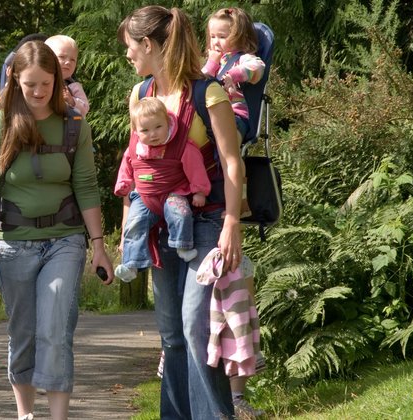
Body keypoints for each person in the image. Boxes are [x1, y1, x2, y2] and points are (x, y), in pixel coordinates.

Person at [0, 40, 113, 420]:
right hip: (13, 245)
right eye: (30, 84)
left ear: (58, 81)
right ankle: (25, 414)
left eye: (46, 84)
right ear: (14, 79)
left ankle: (58, 416)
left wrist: (98, 245)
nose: (38, 92)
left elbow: (86, 184)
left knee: (54, 326)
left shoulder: (74, 125)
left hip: (65, 241)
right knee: (24, 333)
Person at [119, 5, 245, 419]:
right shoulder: (141, 96)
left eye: (130, 48)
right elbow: (135, 162)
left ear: (150, 45)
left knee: (195, 324)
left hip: (206, 220)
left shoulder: (207, 92)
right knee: (171, 333)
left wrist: (232, 225)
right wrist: (127, 223)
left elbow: (231, 162)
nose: (128, 56)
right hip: (159, 224)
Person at [113, 96, 211, 282]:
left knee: (180, 212)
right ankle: (131, 263)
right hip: (144, 196)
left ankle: (183, 245)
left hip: (173, 191)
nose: (153, 134)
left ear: (167, 122)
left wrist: (199, 190)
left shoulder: (180, 145)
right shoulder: (135, 148)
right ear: (136, 131)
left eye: (158, 127)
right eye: (145, 130)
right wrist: (123, 184)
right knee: (134, 223)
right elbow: (127, 166)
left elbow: (195, 166)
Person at [201, 7, 266, 140]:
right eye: (212, 36)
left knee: (228, 139)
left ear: (239, 37)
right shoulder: (214, 61)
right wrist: (212, 63)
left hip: (236, 115)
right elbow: (200, 83)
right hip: (211, 115)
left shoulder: (243, 58)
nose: (215, 42)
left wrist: (233, 75)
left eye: (222, 36)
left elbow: (258, 67)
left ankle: (232, 159)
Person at [44, 35, 90, 117]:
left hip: (65, 127)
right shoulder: (39, 81)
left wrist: (71, 100)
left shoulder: (73, 87)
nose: (68, 62)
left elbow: (85, 109)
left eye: (72, 60)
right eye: (62, 57)